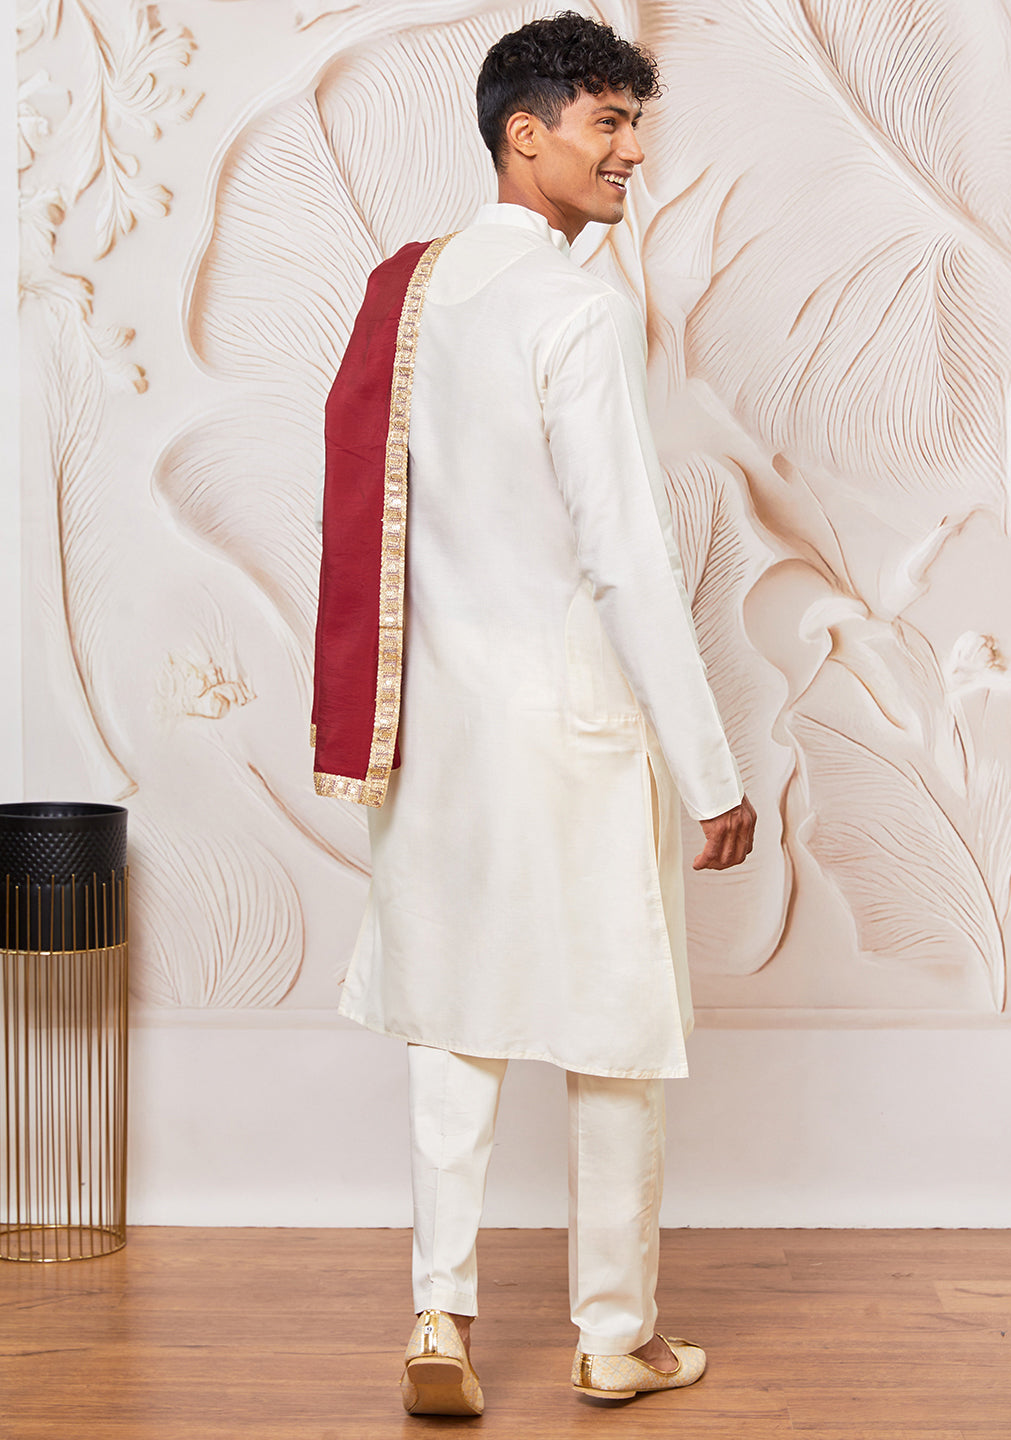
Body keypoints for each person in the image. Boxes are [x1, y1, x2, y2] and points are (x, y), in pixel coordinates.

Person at [310, 10, 756, 1417]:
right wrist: (711, 771)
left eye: (636, 124)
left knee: (454, 1015)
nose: (632, 152)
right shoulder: (577, 307)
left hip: (432, 727)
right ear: (527, 134)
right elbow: (624, 556)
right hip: (572, 723)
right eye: (607, 124)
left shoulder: (416, 292)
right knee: (613, 1025)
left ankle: (439, 1315)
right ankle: (614, 1337)